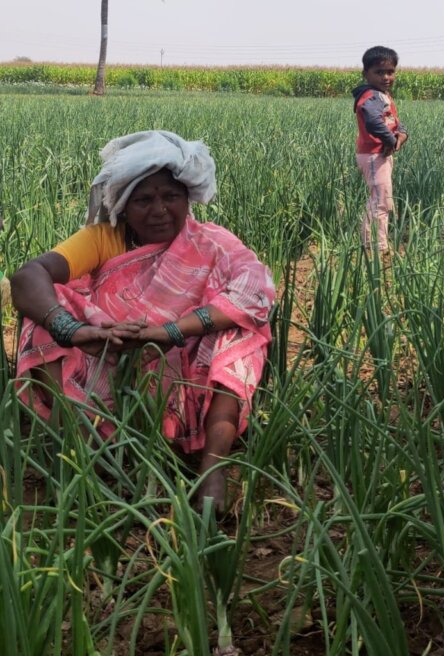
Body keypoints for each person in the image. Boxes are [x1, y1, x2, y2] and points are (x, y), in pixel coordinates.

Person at [11, 130, 275, 512]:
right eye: (143, 200)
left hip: (181, 371)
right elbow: (27, 276)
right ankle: (85, 442)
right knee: (41, 320)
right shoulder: (104, 238)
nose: (159, 210)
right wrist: (75, 330)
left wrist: (171, 330)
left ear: (187, 198)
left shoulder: (211, 242)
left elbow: (256, 291)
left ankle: (212, 466)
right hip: (110, 361)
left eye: (171, 196)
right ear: (122, 205)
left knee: (238, 330)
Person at [352, 46, 408, 255]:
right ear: (365, 74)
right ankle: (375, 246)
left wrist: (402, 134)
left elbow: (394, 122)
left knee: (382, 199)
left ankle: (374, 242)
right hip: (374, 155)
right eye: (379, 72)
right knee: (380, 200)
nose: (386, 76)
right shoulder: (371, 97)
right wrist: (390, 141)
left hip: (379, 154)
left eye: (390, 72)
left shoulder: (381, 95)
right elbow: (373, 122)